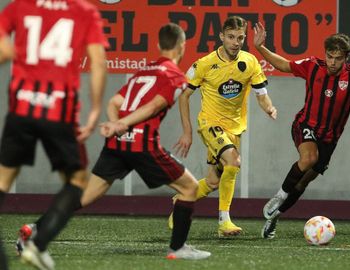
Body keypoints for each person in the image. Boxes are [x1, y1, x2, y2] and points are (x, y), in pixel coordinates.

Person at [16, 23, 211, 261]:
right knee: (189, 188)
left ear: (159, 45)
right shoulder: (174, 76)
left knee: (86, 196)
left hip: (118, 145)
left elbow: (114, 103)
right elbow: (153, 106)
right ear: (182, 46)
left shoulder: (143, 72)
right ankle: (177, 248)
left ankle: (34, 230)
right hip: (143, 145)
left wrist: (117, 124)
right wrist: (122, 125)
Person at [253, 22, 350, 239]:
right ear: (325, 54)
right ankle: (279, 196)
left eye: (338, 58)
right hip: (305, 126)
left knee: (304, 181)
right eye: (330, 56)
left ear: (345, 57)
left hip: (330, 139)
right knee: (309, 157)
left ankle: (275, 217)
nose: (333, 62)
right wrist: (261, 48)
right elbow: (283, 65)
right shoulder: (312, 66)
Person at [0, 0, 108, 269]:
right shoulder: (84, 11)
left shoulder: (18, 6)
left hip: (22, 106)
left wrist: (13, 54)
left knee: (2, 181)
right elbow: (98, 63)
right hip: (59, 110)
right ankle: (39, 243)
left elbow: (3, 50)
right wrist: (95, 110)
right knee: (77, 181)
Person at [171, 16, 277, 237]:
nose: (235, 42)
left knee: (212, 181)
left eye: (240, 38)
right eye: (230, 37)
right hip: (210, 124)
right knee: (233, 160)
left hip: (234, 128)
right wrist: (188, 131)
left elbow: (261, 94)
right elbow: (183, 95)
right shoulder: (205, 64)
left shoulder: (250, 62)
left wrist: (269, 107)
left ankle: (182, 199)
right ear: (221, 37)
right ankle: (224, 221)